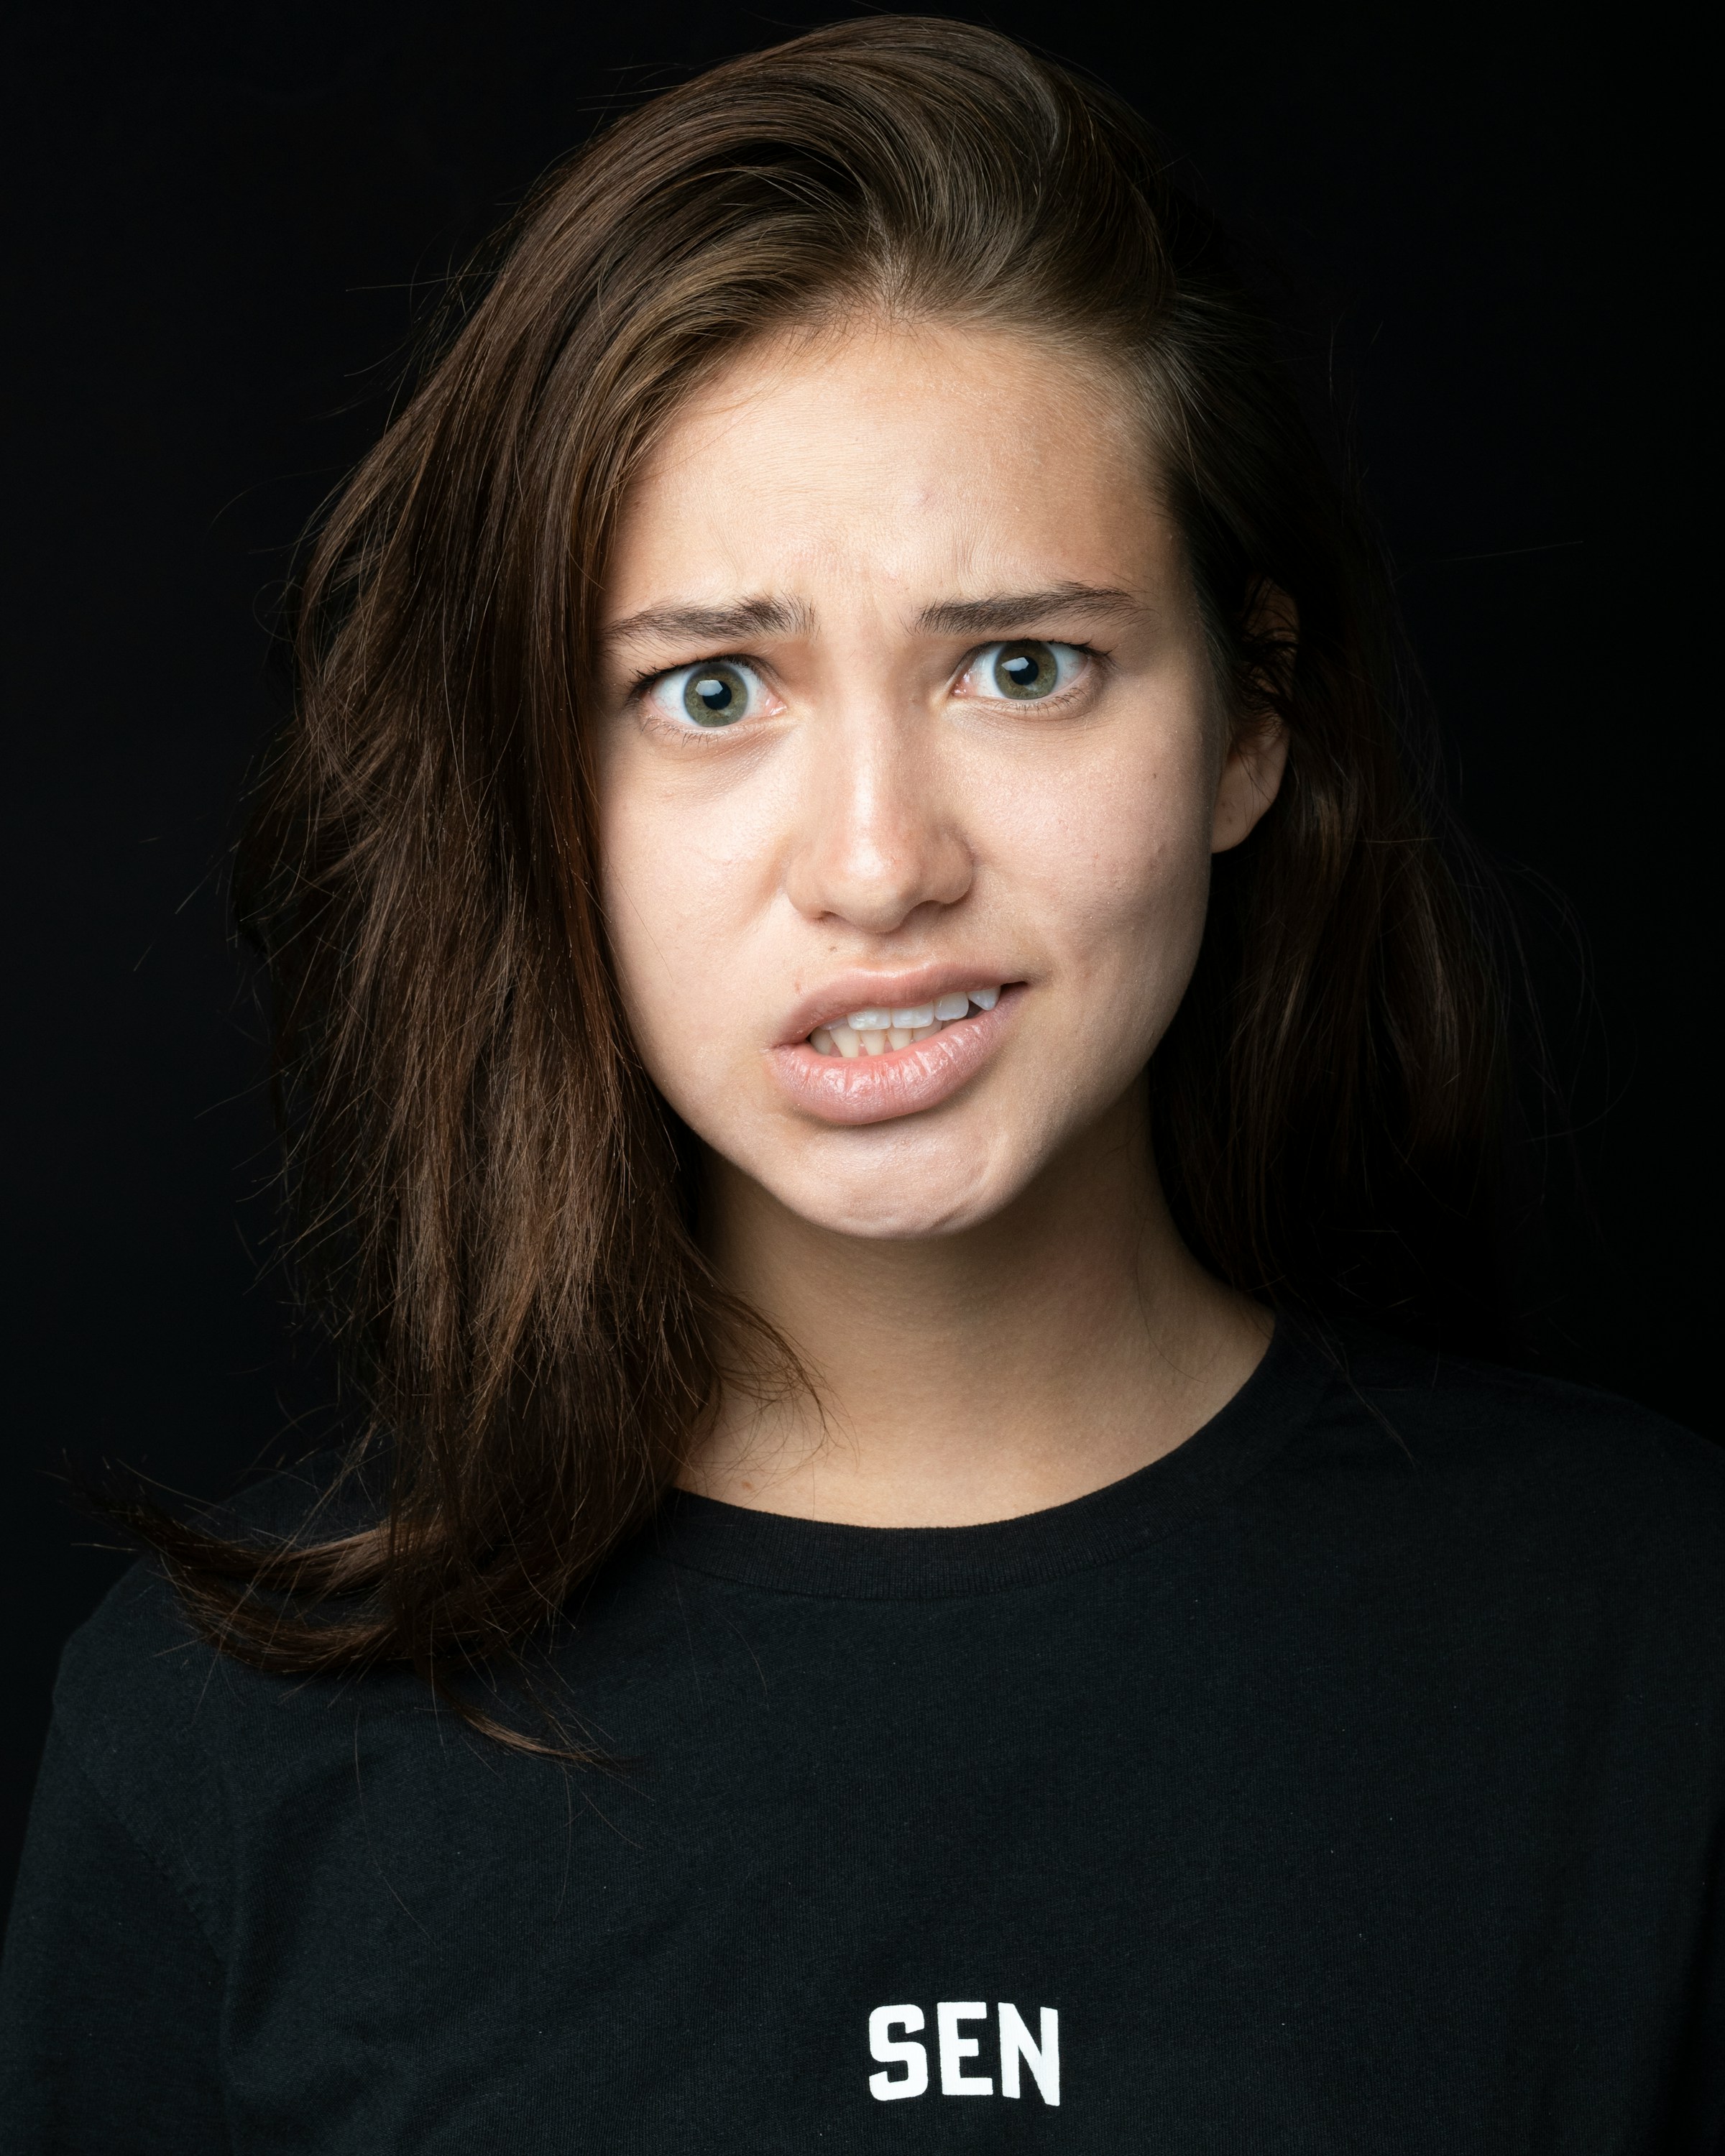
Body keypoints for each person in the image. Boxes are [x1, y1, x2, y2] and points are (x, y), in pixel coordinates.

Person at [2, 17, 1719, 2150]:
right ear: (547, 794)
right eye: (709, 691)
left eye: (1023, 666)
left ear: (1250, 724)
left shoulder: (1658, 1649)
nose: (882, 864)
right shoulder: (216, 1752)